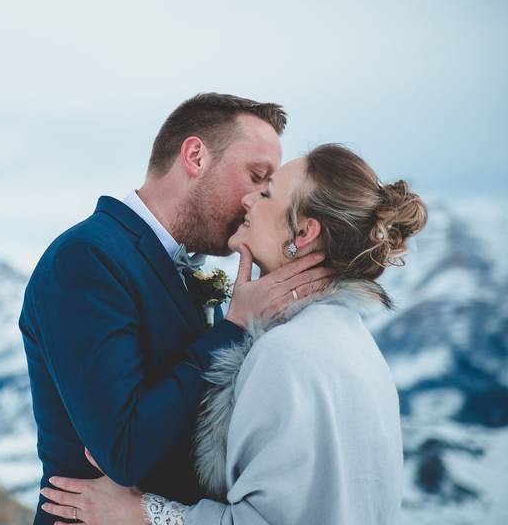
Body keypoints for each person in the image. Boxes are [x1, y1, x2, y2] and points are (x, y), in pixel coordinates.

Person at [39, 143, 428, 525]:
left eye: (267, 189)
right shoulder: (353, 342)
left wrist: (139, 513)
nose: (248, 199)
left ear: (304, 231)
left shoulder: (286, 352)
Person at [18, 93, 333, 525]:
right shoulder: (87, 258)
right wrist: (236, 325)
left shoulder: (173, 265)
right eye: (257, 176)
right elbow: (125, 451)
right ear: (195, 156)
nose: (254, 202)